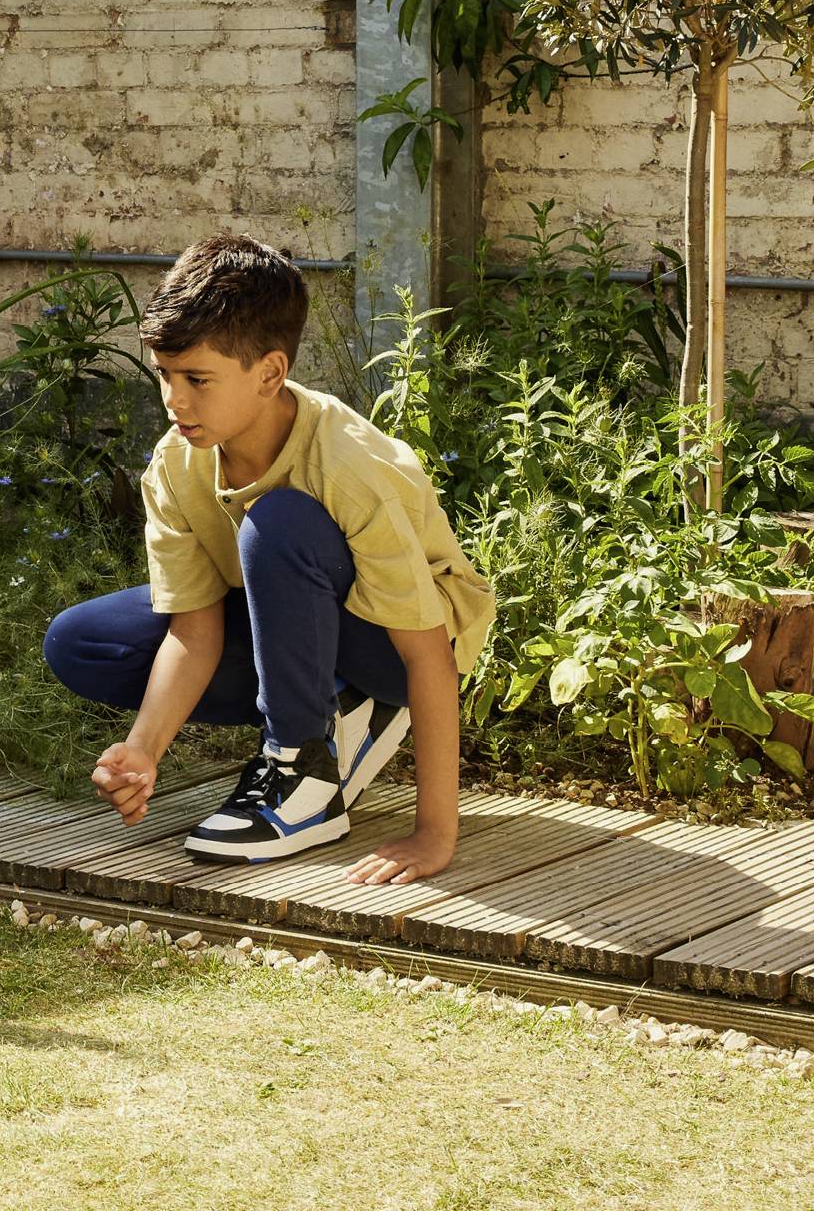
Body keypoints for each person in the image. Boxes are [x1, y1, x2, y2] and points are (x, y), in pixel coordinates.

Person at [41, 234, 494, 883]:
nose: (175, 400)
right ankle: (328, 710)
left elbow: (428, 657)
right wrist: (143, 749)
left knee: (278, 523)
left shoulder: (347, 466)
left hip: (398, 650)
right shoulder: (175, 463)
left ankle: (305, 766)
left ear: (270, 374)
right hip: (293, 620)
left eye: (197, 379)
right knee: (83, 643)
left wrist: (434, 836)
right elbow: (194, 632)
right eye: (165, 374)